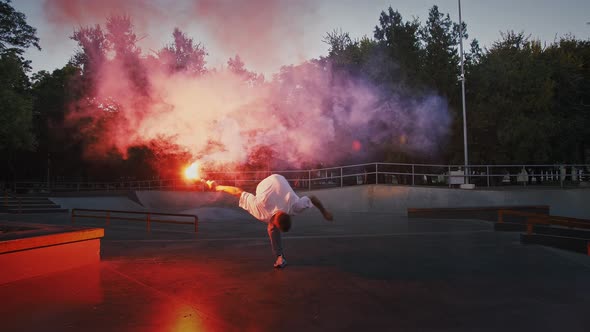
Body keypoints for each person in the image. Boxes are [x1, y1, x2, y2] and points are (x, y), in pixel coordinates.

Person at [205, 174, 333, 268]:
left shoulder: (294, 207)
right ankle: (279, 256)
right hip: (265, 184)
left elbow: (313, 198)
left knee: (271, 228)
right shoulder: (261, 208)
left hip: (280, 178)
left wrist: (325, 212)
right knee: (271, 228)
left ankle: (280, 257)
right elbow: (238, 192)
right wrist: (217, 187)